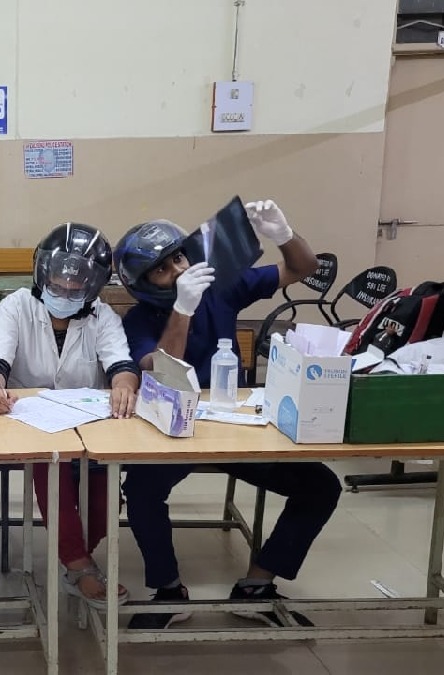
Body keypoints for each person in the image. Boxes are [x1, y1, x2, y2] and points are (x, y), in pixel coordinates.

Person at [115, 199, 342, 630]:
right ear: (143, 284)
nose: (179, 270)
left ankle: (257, 586)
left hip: (231, 423)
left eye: (178, 257)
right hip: (172, 428)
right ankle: (168, 590)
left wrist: (283, 233)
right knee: (142, 491)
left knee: (321, 486)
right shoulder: (139, 320)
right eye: (163, 269)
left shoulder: (220, 288)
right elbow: (165, 369)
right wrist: (182, 310)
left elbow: (303, 268)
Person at [0, 223, 139, 611]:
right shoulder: (15, 305)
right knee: (54, 470)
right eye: (58, 280)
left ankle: (76, 557)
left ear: (93, 284)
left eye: (76, 285)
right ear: (42, 272)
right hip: (29, 422)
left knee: (103, 501)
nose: (65, 290)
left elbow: (121, 363)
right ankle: (80, 565)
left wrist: (124, 385)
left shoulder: (103, 316)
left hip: (89, 426)